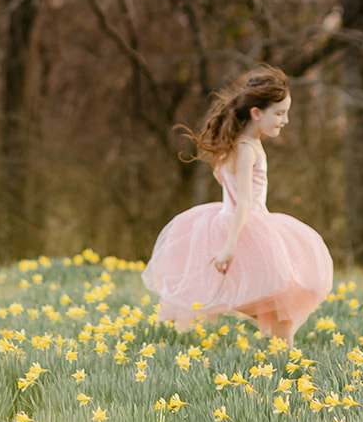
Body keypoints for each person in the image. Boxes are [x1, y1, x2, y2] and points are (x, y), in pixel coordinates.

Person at [142, 65, 332, 341]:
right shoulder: (246, 149)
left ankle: (281, 363)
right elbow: (243, 202)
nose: (285, 120)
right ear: (256, 113)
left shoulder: (240, 145)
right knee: (278, 310)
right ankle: (285, 367)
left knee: (276, 310)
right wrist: (229, 246)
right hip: (246, 226)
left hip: (235, 222)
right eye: (279, 114)